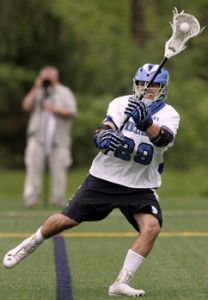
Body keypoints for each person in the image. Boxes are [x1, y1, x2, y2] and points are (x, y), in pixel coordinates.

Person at [3, 63, 180, 297]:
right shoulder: (121, 103)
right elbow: (104, 127)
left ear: (162, 88)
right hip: (105, 178)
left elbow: (163, 139)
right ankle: (31, 242)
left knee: (152, 227)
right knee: (65, 220)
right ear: (135, 84)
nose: (146, 89)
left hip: (140, 184)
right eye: (142, 84)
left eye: (153, 85)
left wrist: (146, 123)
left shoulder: (169, 113)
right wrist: (102, 136)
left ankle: (120, 282)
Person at [22, 66, 77, 208]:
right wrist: (36, 88)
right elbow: (26, 106)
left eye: (49, 77)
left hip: (59, 139)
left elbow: (71, 112)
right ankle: (31, 199)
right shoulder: (37, 92)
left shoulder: (64, 92)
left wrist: (53, 109)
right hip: (37, 137)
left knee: (59, 170)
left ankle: (58, 199)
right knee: (33, 168)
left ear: (56, 78)